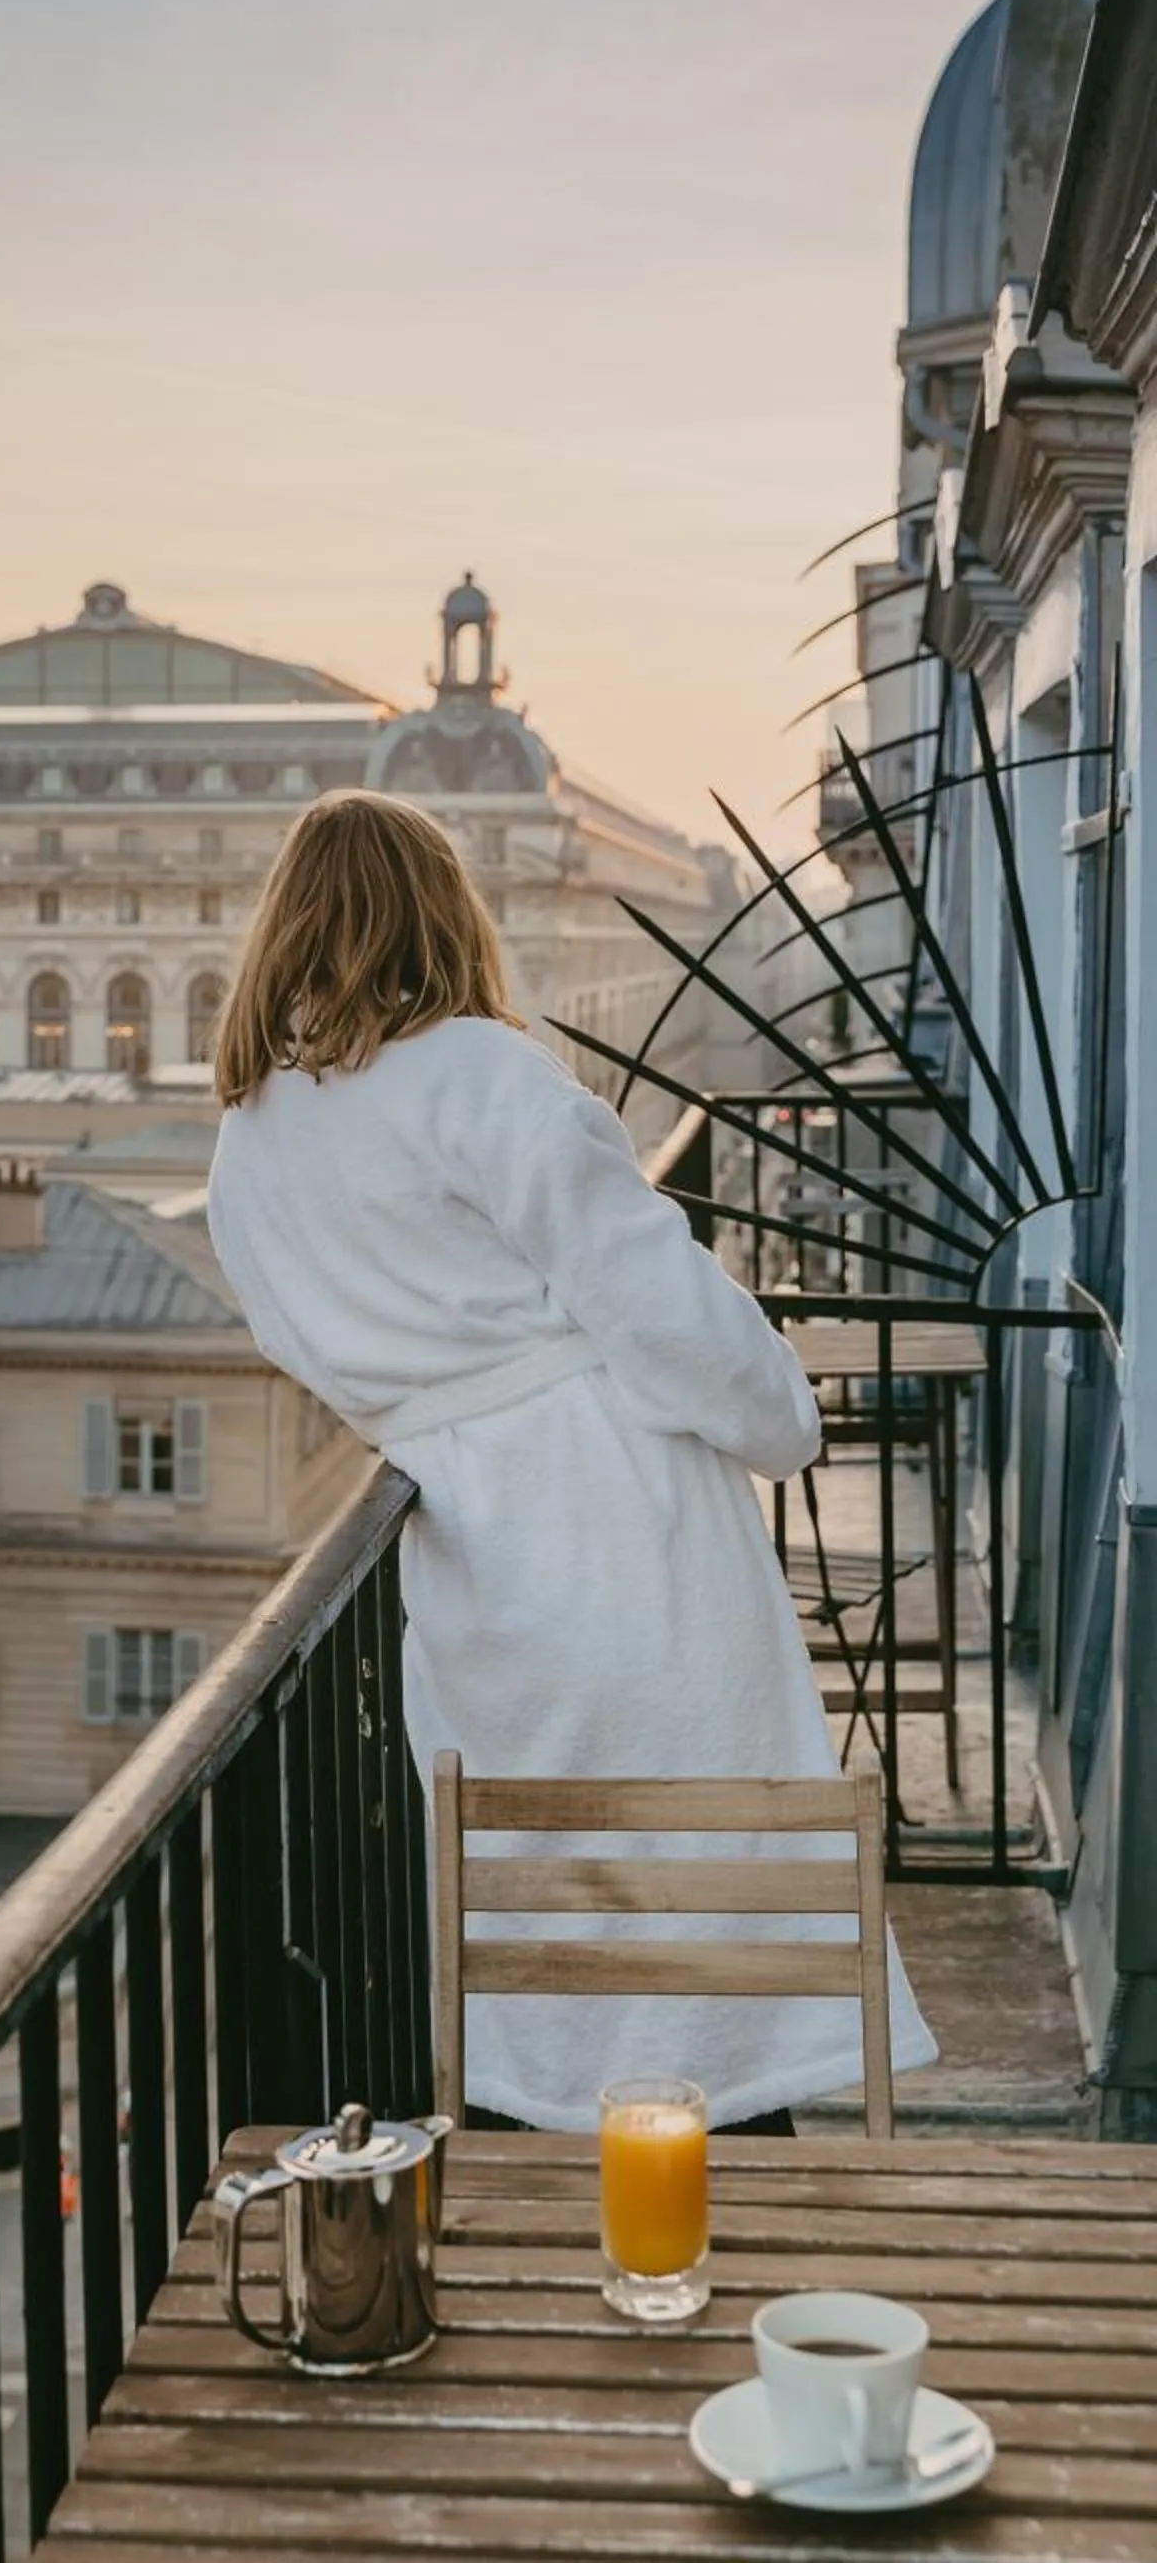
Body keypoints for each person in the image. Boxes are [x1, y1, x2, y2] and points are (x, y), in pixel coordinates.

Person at [205, 789, 935, 2133]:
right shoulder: (480, 1071)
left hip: (464, 1543)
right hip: (613, 1510)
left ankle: (546, 2163)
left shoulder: (249, 1143)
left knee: (534, 1872)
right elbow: (648, 1289)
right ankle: (722, 2162)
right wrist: (779, 1411)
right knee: (690, 1854)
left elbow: (308, 1343)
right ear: (440, 915)